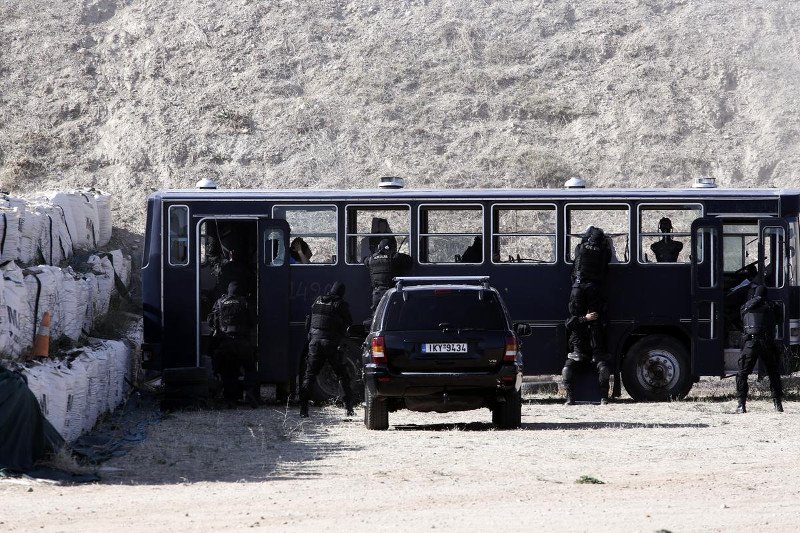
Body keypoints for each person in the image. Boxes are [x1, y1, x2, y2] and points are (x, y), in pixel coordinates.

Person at [563, 225, 612, 404]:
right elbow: (606, 263)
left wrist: (583, 319)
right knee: (600, 358)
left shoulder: (580, 247)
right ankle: (604, 398)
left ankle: (569, 398)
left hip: (577, 288)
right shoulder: (604, 250)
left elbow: (570, 323)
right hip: (594, 289)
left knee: (571, 361)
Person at [299, 281, 354, 418]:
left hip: (314, 342)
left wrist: (311, 337)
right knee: (342, 374)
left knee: (309, 375)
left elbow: (309, 321)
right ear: (341, 293)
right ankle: (348, 408)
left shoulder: (318, 301)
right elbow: (348, 323)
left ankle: (303, 410)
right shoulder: (340, 304)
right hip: (330, 343)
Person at [208, 281, 258, 407]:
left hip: (226, 342)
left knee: (229, 371)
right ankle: (249, 391)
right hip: (243, 342)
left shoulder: (220, 302)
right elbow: (253, 321)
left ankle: (231, 400)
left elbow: (210, 321)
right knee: (250, 368)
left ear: (228, 290)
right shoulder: (244, 302)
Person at [736, 284, 784, 413]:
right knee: (773, 373)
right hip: (767, 342)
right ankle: (778, 404)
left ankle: (741, 405)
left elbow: (742, 321)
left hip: (751, 342)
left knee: (742, 373)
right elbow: (779, 321)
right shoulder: (773, 306)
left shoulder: (745, 306)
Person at [363, 238, 413, 313]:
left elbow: (364, 260)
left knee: (377, 315)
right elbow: (409, 260)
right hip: (391, 293)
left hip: (377, 294)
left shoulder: (371, 259)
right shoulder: (395, 257)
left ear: (379, 247)